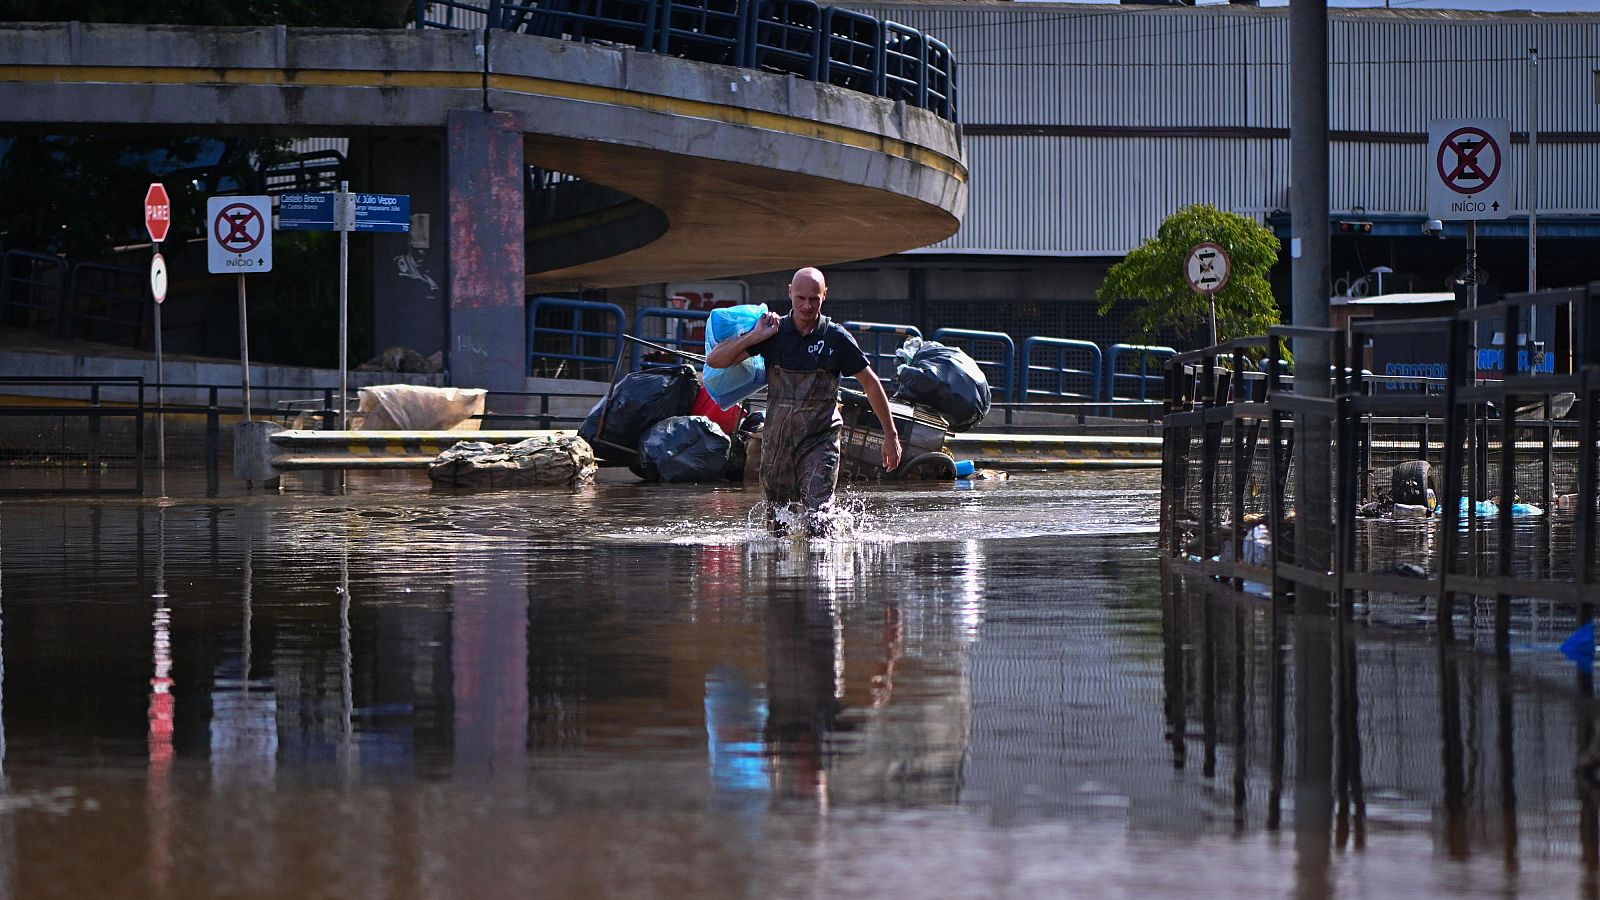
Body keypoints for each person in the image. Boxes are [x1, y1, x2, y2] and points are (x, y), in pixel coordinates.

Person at [706, 267, 901, 535]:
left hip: (820, 441)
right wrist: (755, 337)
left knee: (818, 518)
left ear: (824, 295)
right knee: (778, 527)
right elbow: (715, 360)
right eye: (800, 298)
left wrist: (891, 435)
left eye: (814, 299)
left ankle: (824, 569)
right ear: (790, 293)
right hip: (778, 444)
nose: (807, 306)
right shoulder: (772, 333)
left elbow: (870, 382)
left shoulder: (836, 338)